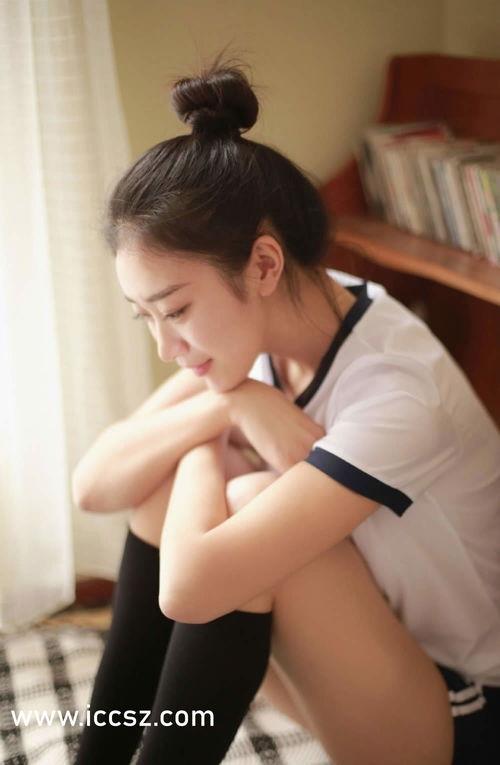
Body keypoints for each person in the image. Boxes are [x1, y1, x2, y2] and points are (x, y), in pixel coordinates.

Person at [72, 51, 500, 765]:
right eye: (144, 316)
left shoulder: (396, 389)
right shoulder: (283, 316)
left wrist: (214, 426)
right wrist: (230, 406)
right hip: (369, 661)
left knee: (238, 497)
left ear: (264, 265)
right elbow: (95, 485)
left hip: (466, 711)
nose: (166, 347)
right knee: (173, 486)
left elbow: (188, 591)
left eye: (175, 310)